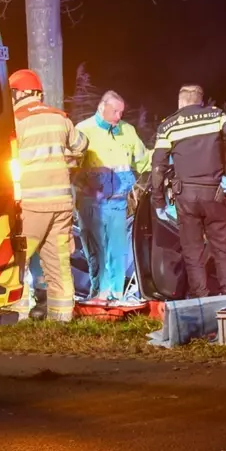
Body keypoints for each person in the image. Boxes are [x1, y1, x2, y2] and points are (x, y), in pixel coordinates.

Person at [150, 85, 226, 298]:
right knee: (222, 248)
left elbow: (158, 167)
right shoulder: (215, 115)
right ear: (200, 101)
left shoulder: (168, 126)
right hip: (215, 193)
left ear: (181, 102)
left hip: (186, 197)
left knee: (192, 252)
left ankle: (200, 300)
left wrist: (158, 202)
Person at [9, 68, 88, 321]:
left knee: (16, 262)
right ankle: (62, 316)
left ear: (21, 93)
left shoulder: (15, 121)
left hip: (31, 205)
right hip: (62, 204)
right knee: (60, 263)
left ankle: (16, 315)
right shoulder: (60, 118)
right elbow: (81, 145)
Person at [75, 90, 149, 304]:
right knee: (96, 251)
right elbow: (71, 168)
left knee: (118, 252)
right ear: (101, 107)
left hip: (117, 204)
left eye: (121, 112)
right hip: (91, 205)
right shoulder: (83, 130)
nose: (119, 116)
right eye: (115, 111)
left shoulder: (128, 131)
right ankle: (100, 295)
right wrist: (88, 189)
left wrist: (166, 156)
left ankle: (116, 296)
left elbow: (143, 160)